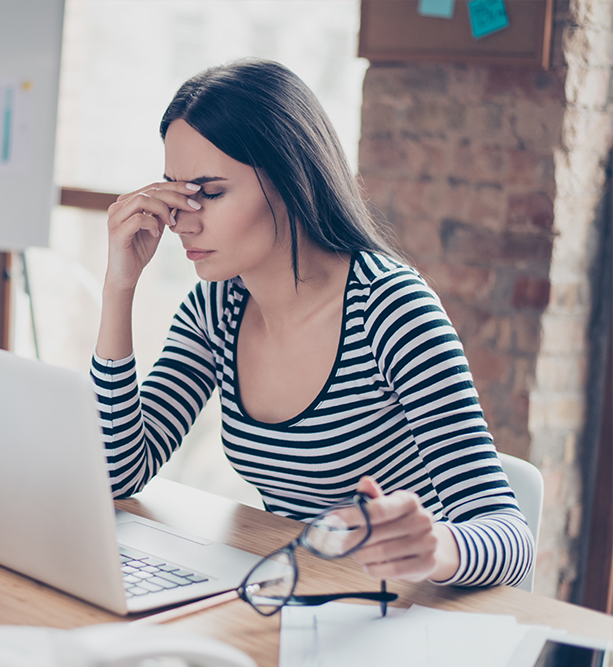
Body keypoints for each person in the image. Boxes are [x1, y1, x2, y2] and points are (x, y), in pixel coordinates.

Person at [90, 58, 533, 588]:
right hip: (307, 593)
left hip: (414, 604)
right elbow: (117, 473)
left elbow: (511, 536)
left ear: (290, 179)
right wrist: (119, 287)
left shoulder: (390, 310)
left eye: (209, 192)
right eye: (175, 192)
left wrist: (436, 546)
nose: (182, 219)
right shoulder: (217, 308)